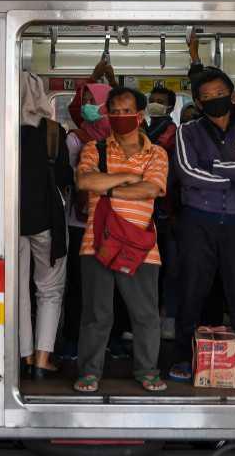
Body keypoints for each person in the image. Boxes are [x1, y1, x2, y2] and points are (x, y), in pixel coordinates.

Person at [169, 66, 235, 385]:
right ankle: (183, 356)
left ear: (231, 95)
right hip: (198, 220)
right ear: (197, 102)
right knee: (192, 290)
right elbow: (187, 173)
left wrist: (211, 166)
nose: (215, 100)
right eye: (207, 96)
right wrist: (231, 173)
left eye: (220, 94)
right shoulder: (187, 132)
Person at [73, 87, 169, 393]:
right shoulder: (94, 148)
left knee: (145, 315)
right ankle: (89, 372)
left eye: (126, 111)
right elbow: (85, 180)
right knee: (96, 314)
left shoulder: (157, 153)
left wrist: (110, 188)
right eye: (113, 111)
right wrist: (129, 179)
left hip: (141, 244)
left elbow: (152, 190)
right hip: (96, 242)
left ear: (140, 116)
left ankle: (147, 371)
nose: (119, 117)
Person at [19, 70, 72, 379]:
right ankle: (42, 359)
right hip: (46, 220)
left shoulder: (2, 130)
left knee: (17, 292)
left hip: (10, 223)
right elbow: (64, 178)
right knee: (49, 291)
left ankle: (23, 356)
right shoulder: (54, 131)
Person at [60, 76, 112, 361]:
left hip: (114, 222)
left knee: (108, 288)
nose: (89, 106)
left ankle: (107, 340)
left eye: (95, 102)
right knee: (80, 287)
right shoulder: (75, 138)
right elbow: (69, 178)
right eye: (87, 102)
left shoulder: (122, 138)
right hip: (80, 222)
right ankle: (72, 340)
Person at [145, 86, 180, 340]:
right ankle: (147, 317)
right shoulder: (143, 128)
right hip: (144, 208)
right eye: (152, 100)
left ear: (170, 107)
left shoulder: (171, 132)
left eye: (161, 101)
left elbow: (150, 153)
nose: (155, 104)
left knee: (168, 267)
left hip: (166, 209)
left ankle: (167, 316)